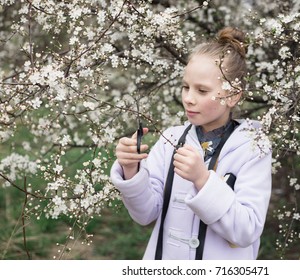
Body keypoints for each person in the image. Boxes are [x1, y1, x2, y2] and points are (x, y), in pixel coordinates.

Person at [110, 27, 272, 260]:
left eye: (202, 90)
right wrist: (131, 170)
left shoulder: (253, 148)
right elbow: (145, 214)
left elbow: (246, 230)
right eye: (186, 86)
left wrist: (202, 180)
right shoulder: (171, 140)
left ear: (233, 95)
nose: (188, 98)